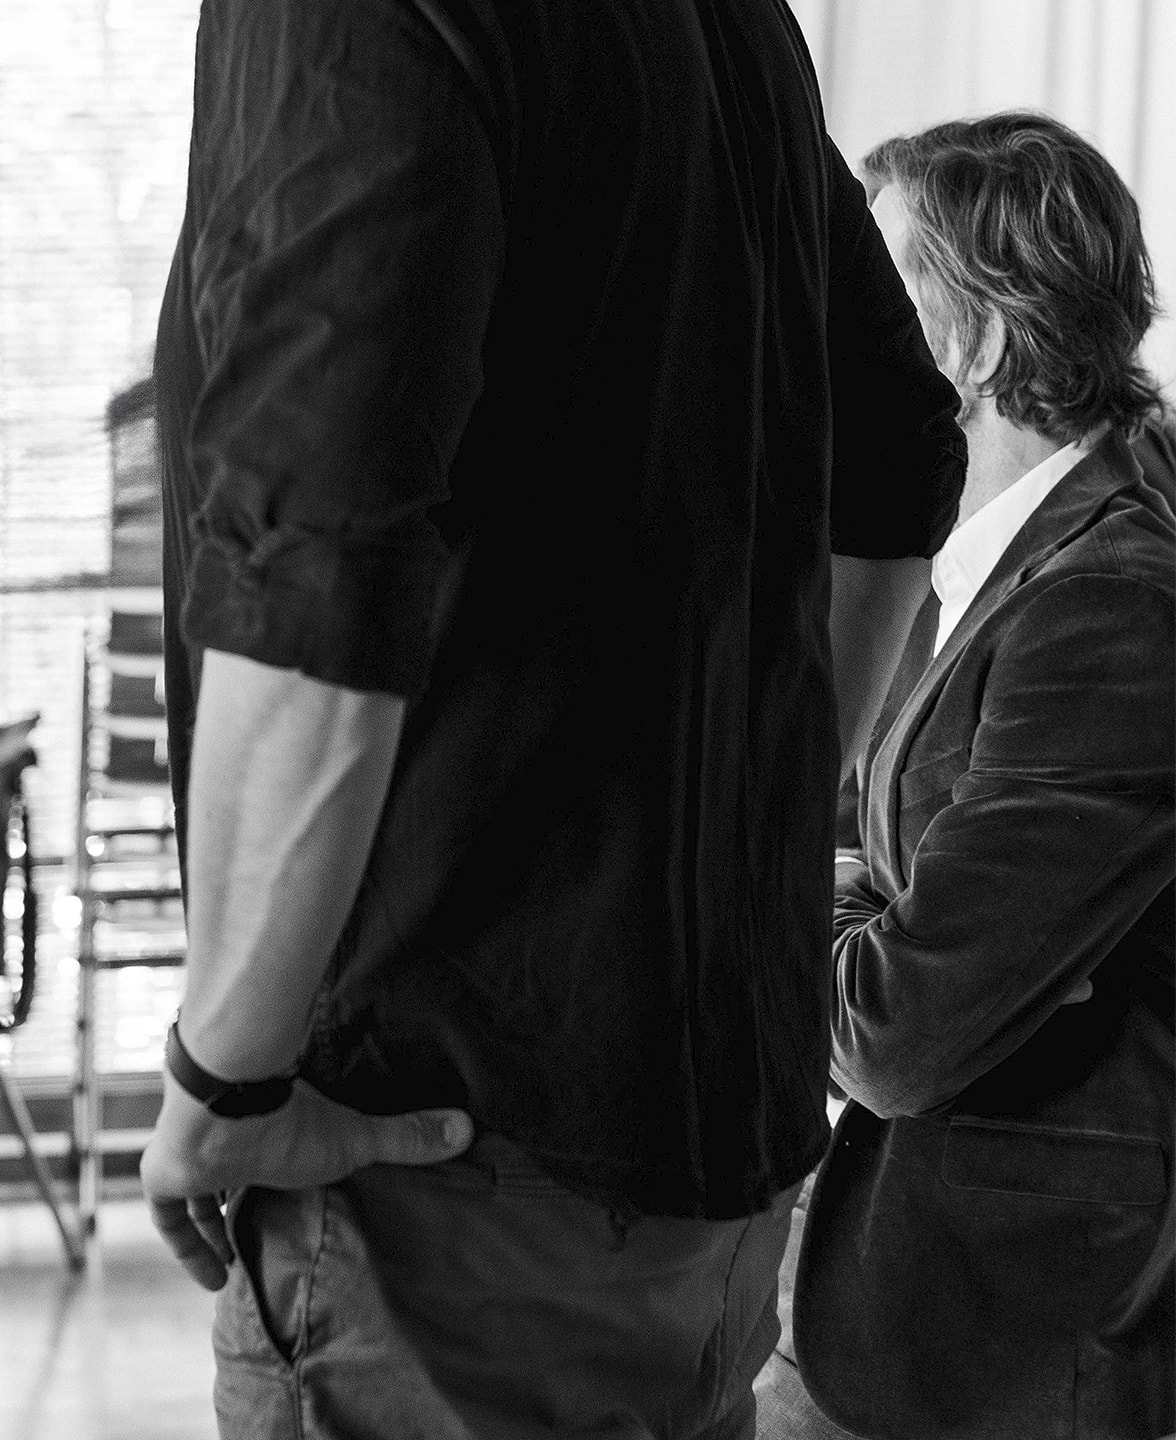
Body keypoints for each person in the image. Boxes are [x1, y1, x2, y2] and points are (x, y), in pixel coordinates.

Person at [140, 1, 966, 1436]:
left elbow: (318, 566)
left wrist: (225, 1070)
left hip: (440, 1171)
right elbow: (899, 455)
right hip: (712, 1167)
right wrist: (735, 861)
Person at [772, 113, 1174, 1439]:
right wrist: (868, 897)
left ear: (982, 344)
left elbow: (896, 1033)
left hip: (1009, 1344)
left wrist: (792, 894)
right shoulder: (991, 560)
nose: (831, 334)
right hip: (902, 1296)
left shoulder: (1110, 599)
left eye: (873, 292)